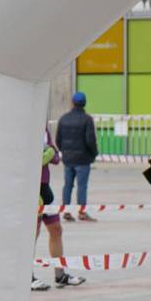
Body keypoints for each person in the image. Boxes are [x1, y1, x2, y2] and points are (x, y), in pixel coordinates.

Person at [34, 129, 85, 290]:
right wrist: (46, 155)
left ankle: (60, 275)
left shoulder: (44, 129)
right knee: (31, 234)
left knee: (56, 229)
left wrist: (49, 153)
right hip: (31, 187)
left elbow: (56, 156)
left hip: (45, 187)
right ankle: (27, 277)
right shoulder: (24, 126)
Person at [56, 91, 99, 221]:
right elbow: (90, 140)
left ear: (72, 102)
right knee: (82, 186)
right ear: (84, 103)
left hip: (68, 159)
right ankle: (81, 212)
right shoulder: (87, 119)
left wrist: (65, 151)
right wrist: (94, 153)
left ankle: (66, 212)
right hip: (83, 160)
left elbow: (58, 139)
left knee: (67, 185)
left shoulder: (63, 118)